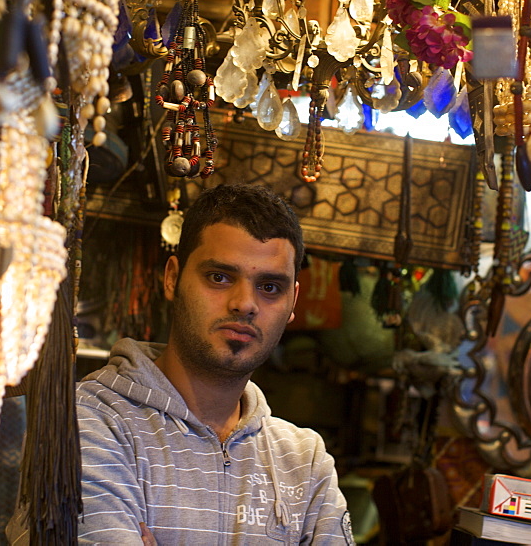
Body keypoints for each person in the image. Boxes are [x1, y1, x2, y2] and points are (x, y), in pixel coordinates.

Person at [77, 183, 353, 544]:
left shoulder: (306, 460)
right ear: (173, 278)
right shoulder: (92, 420)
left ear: (292, 301)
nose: (245, 303)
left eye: (269, 287)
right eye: (220, 277)